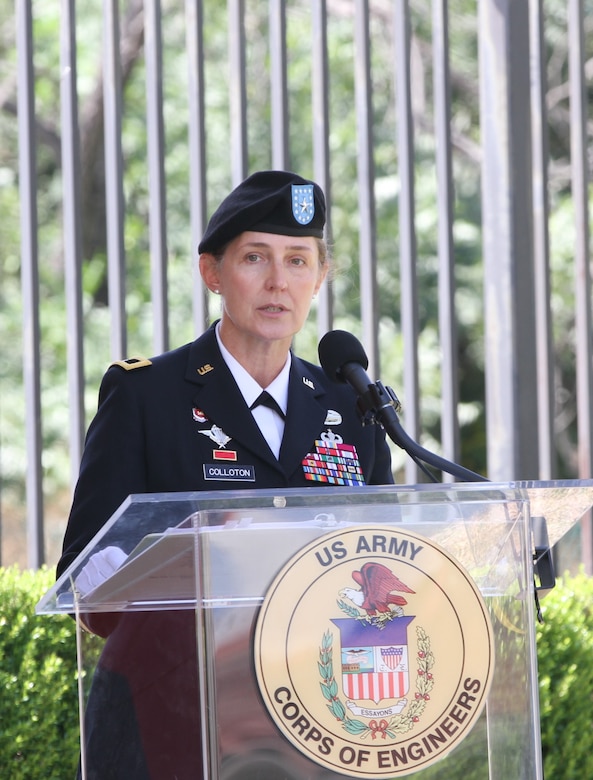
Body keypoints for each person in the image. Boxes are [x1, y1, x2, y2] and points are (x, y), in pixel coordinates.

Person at [57, 170, 394, 778]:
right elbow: (85, 578)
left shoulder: (352, 408)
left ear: (320, 278)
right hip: (169, 724)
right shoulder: (147, 396)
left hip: (317, 728)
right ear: (213, 273)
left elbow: (384, 566)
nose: (277, 281)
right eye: (255, 257)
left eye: (298, 261)